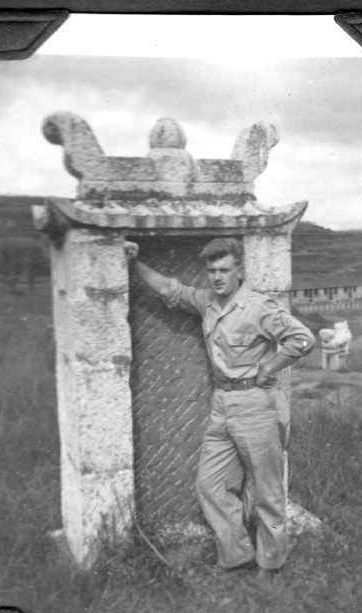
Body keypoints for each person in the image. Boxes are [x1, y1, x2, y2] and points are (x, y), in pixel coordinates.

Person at [125, 237, 315, 579]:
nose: (217, 277)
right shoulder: (207, 303)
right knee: (209, 485)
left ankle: (271, 566)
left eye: (224, 270)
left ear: (239, 271)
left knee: (267, 492)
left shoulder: (259, 307)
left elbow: (302, 339)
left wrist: (269, 367)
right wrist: (133, 263)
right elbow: (170, 289)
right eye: (211, 271)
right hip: (222, 405)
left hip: (255, 405)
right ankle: (238, 555)